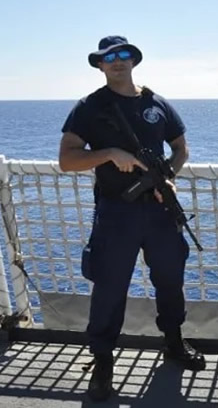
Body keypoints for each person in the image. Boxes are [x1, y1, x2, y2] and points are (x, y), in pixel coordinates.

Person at [58, 35, 206, 402]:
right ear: (100, 65)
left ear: (134, 60)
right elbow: (67, 160)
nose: (117, 61)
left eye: (124, 55)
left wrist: (167, 177)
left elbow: (181, 148)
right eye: (109, 57)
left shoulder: (156, 103)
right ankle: (103, 363)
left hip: (158, 209)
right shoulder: (89, 108)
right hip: (116, 212)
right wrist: (108, 153)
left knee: (170, 280)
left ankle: (173, 342)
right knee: (110, 288)